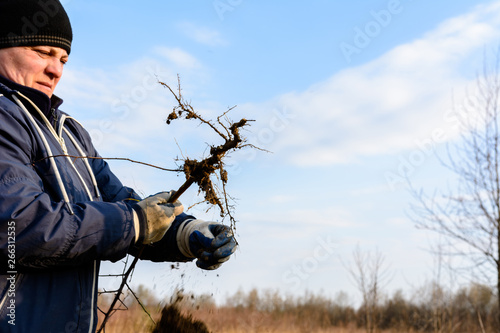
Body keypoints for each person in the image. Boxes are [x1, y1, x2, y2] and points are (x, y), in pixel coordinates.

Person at [0, 1, 237, 332]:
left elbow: (120, 202)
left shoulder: (71, 134)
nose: (56, 70)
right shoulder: (4, 119)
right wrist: (136, 222)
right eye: (42, 51)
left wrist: (184, 232)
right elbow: (18, 230)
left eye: (63, 59)